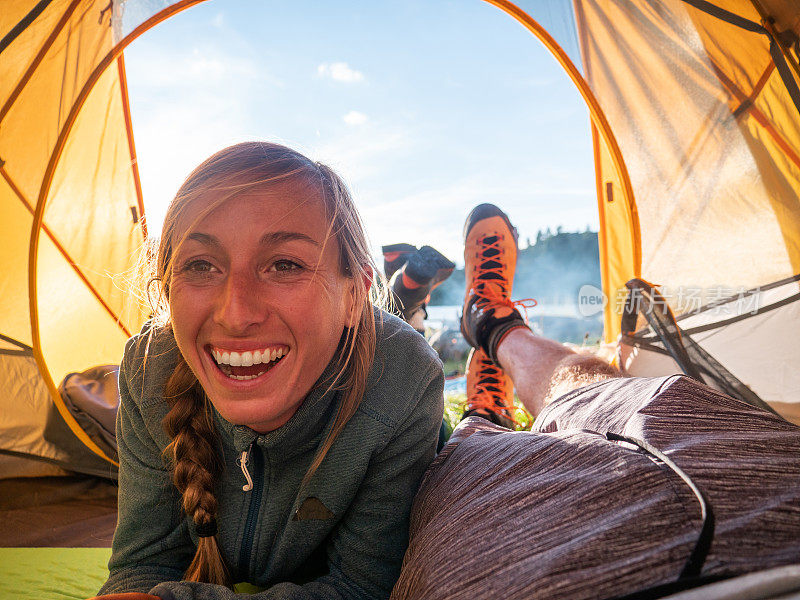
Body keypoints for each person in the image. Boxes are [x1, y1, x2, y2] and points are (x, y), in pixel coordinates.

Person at [94, 142, 444, 600]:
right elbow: (142, 567)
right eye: (200, 265)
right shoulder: (149, 369)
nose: (236, 314)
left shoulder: (402, 379)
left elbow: (361, 588)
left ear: (355, 294)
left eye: (284, 265)